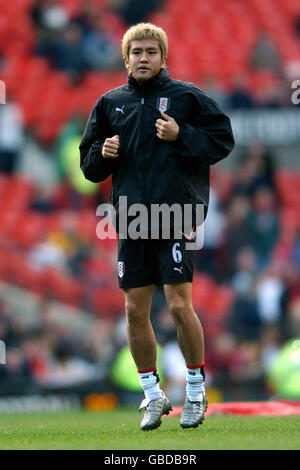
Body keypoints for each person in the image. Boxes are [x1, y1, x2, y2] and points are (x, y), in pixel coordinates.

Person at [80, 22, 234, 430]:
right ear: (126, 59)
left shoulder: (186, 98)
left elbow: (222, 140)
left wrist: (181, 134)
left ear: (163, 57)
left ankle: (196, 393)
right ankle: (153, 396)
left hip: (176, 214)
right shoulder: (109, 103)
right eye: (136, 52)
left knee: (180, 304)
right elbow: (88, 166)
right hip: (131, 217)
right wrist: (102, 152)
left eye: (151, 52)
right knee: (134, 310)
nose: (143, 58)